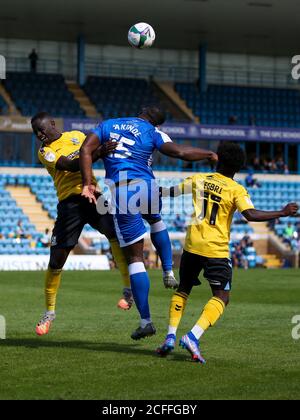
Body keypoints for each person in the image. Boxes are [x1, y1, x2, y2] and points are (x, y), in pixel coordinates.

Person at [80, 105, 218, 340]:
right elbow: (180, 153)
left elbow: (85, 150)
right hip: (148, 187)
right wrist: (208, 154)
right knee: (156, 220)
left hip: (123, 190)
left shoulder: (109, 124)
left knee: (135, 259)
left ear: (141, 111)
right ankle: (167, 269)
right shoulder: (154, 132)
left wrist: (87, 183)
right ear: (158, 123)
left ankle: (146, 322)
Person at [156, 142, 298, 363]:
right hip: (215, 249)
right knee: (222, 296)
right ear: (239, 168)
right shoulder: (236, 189)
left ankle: (170, 337)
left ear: (218, 160)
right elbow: (250, 214)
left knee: (183, 289)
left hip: (192, 245)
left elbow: (168, 192)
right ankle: (192, 336)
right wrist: (282, 212)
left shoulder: (198, 179)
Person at [31, 112, 132, 336]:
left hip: (94, 195)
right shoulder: (45, 152)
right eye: (36, 132)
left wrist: (102, 150)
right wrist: (97, 152)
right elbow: (71, 164)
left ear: (53, 124)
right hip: (70, 204)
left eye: (41, 129)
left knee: (115, 234)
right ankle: (49, 312)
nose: (39, 134)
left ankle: (128, 291)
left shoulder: (77, 135)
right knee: (57, 259)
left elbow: (93, 151)